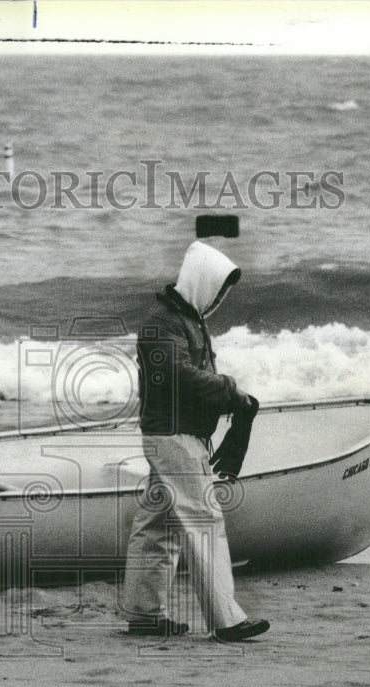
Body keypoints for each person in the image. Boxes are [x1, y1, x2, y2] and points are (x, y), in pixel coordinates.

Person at [122, 240, 270, 642]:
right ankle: (227, 620)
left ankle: (144, 613)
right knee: (205, 520)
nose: (220, 296)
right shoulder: (162, 323)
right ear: (202, 281)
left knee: (159, 526)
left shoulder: (184, 318)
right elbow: (178, 374)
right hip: (173, 436)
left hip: (172, 434)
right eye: (219, 287)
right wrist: (231, 391)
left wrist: (227, 395)